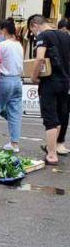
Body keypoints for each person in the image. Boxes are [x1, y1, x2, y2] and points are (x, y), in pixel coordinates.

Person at [28, 14, 70, 165]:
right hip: (65, 82)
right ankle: (51, 147)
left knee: (50, 119)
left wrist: (33, 77)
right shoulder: (66, 36)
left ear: (35, 26)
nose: (34, 34)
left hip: (49, 83)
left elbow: (39, 58)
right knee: (58, 116)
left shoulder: (43, 36)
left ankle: (51, 154)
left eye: (32, 32)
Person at [0, 18, 24, 152]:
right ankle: (15, 144)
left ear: (3, 31)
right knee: (14, 112)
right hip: (17, 81)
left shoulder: (2, 45)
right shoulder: (19, 45)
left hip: (5, 80)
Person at [55, 18, 70, 155]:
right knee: (61, 113)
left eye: (66, 32)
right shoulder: (55, 43)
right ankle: (57, 142)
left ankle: (59, 142)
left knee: (64, 113)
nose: (63, 35)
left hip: (65, 82)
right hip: (61, 82)